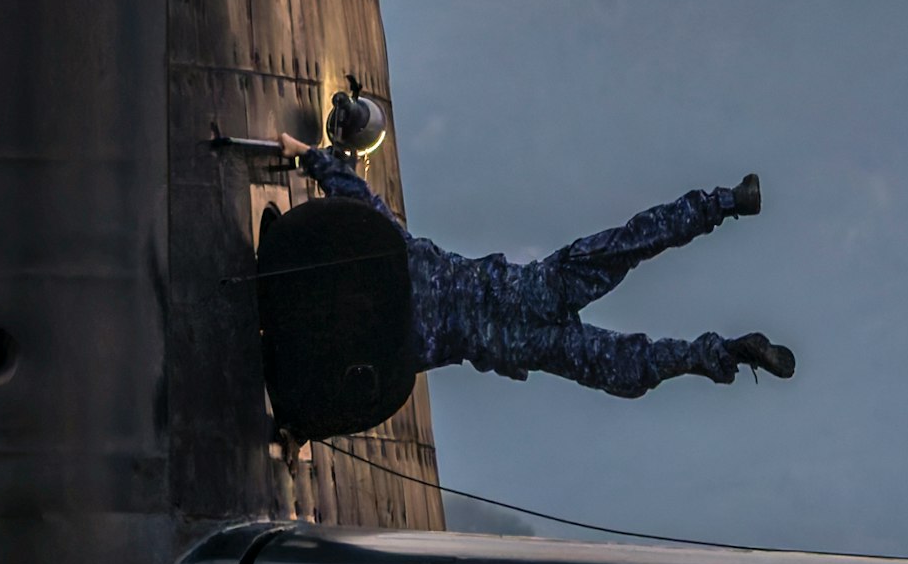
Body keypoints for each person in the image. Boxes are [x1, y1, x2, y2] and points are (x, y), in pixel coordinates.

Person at [310, 96, 795, 398]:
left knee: (627, 365)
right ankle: (727, 205)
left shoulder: (407, 342)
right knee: (629, 247)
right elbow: (363, 204)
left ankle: (721, 353)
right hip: (528, 297)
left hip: (516, 343)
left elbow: (361, 381)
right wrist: (315, 159)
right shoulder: (405, 261)